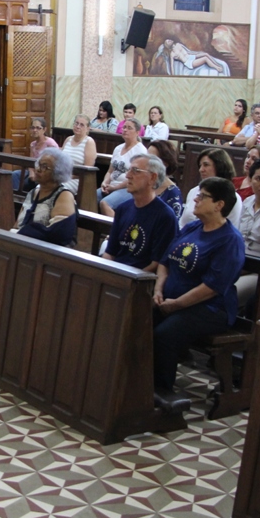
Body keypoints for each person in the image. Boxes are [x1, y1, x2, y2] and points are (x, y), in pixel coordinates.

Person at [152, 177, 246, 395]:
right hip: (170, 300)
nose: (196, 198)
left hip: (210, 309)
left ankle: (161, 392)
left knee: (165, 334)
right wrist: (158, 290)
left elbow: (212, 287)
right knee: (137, 320)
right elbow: (165, 262)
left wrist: (176, 305)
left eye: (202, 196)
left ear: (219, 205)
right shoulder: (193, 227)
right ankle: (136, 383)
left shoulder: (230, 240)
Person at [102, 154, 178, 270]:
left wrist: (129, 282)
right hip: (116, 273)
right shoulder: (123, 209)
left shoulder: (165, 216)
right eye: (129, 170)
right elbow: (110, 252)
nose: (128, 176)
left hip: (139, 279)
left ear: (152, 178)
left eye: (135, 171)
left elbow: (156, 263)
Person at [13, 148, 78, 247]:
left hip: (48, 250)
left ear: (58, 173)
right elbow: (18, 224)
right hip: (23, 243)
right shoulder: (33, 192)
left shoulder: (63, 196)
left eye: (45, 167)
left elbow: (59, 234)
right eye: (39, 164)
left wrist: (24, 233)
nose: (38, 169)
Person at [180, 148, 243, 228]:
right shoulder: (194, 191)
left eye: (206, 165)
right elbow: (182, 224)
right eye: (200, 166)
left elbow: (231, 228)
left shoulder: (233, 197)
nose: (201, 170)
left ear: (219, 166)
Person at [97, 118, 148, 216]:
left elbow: (135, 177)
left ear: (137, 132)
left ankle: (116, 230)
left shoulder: (140, 150)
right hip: (111, 186)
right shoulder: (118, 148)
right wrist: (104, 182)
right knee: (87, 197)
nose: (125, 130)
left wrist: (115, 188)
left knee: (105, 203)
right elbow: (110, 171)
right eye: (124, 127)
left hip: (128, 188)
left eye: (129, 128)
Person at [20, 116, 59, 188]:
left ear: (44, 129)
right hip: (34, 171)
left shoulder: (50, 143)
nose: (35, 130)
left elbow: (54, 163)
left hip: (45, 174)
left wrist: (38, 174)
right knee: (14, 175)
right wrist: (31, 173)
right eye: (33, 127)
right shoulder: (33, 144)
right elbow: (30, 162)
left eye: (38, 128)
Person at [147, 140, 183, 218]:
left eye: (152, 158)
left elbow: (171, 225)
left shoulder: (172, 193)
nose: (146, 161)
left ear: (165, 163)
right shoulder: (144, 183)